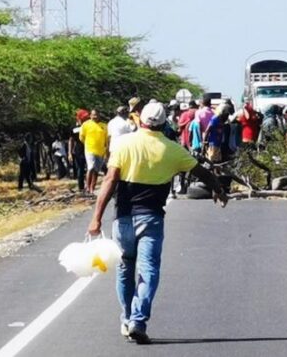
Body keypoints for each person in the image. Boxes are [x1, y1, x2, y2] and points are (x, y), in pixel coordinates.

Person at [86, 101, 228, 344]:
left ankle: (127, 318)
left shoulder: (123, 144)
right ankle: (138, 321)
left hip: (123, 218)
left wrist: (96, 218)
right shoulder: (172, 149)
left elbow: (110, 180)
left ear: (140, 119)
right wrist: (218, 190)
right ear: (164, 124)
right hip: (151, 218)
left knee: (124, 268)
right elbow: (202, 172)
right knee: (149, 269)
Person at [80, 109, 108, 195]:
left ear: (99, 115)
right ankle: (87, 187)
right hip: (89, 149)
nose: (95, 116)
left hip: (100, 151)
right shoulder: (86, 124)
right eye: (93, 115)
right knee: (91, 167)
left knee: (96, 170)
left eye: (96, 115)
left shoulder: (104, 126)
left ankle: (92, 188)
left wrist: (106, 149)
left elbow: (107, 139)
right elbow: (81, 137)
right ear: (90, 115)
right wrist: (88, 144)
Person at [69, 109, 90, 193]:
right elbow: (71, 140)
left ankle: (89, 186)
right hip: (78, 150)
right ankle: (81, 187)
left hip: (89, 148)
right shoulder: (74, 128)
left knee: (90, 168)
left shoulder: (89, 125)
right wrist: (69, 153)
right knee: (80, 169)